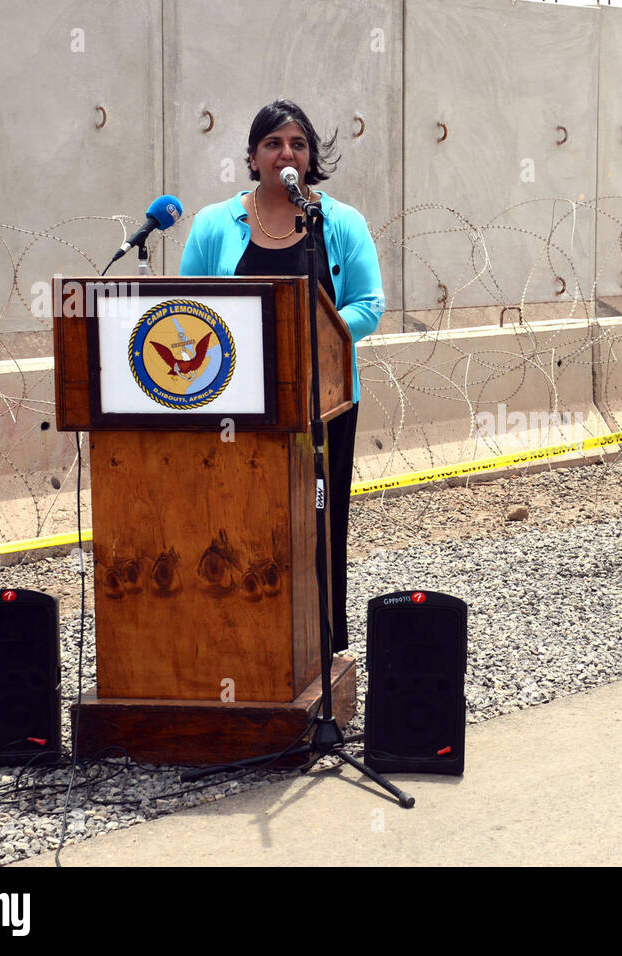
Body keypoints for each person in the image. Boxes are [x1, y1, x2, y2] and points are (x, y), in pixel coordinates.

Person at [180, 99, 384, 652]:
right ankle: (243, 639)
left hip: (321, 400)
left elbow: (369, 303)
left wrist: (310, 340)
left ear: (310, 156)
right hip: (234, 400)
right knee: (238, 517)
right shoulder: (214, 224)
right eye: (272, 143)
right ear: (252, 156)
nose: (285, 153)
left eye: (296, 143)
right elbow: (185, 309)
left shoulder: (337, 223)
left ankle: (318, 643)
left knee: (316, 522)